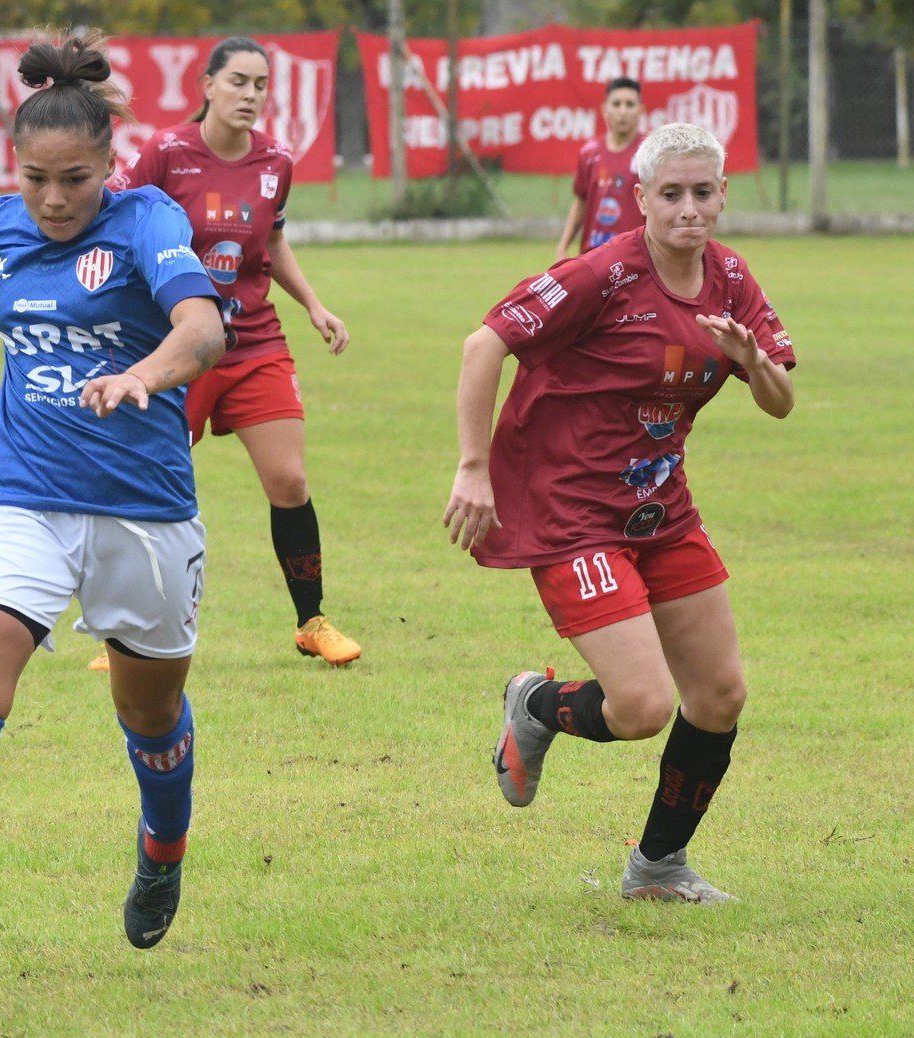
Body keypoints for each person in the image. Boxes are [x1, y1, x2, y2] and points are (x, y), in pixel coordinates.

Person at [0, 31, 226, 974]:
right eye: (36, 178)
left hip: (143, 511)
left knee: (151, 713)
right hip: (21, 493)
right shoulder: (0, 222)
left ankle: (163, 845)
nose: (52, 198)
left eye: (73, 178)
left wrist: (144, 374)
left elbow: (201, 329)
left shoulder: (147, 220)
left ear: (108, 165)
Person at [444, 123, 797, 903]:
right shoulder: (601, 274)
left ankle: (656, 869)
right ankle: (533, 703)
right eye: (669, 193)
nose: (687, 209)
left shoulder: (732, 280)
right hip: (571, 514)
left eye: (702, 192)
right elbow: (482, 346)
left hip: (661, 511)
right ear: (638, 198)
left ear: (721, 196)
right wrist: (473, 468)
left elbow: (779, 402)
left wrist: (753, 362)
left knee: (718, 696)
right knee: (640, 706)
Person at [94, 35, 361, 669]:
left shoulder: (276, 162)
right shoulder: (166, 151)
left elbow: (270, 242)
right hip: (177, 346)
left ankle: (312, 621)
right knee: (146, 481)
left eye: (261, 84)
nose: (250, 94)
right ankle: (124, 631)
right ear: (207, 86)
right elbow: (118, 220)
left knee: (289, 480)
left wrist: (314, 305)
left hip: (253, 341)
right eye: (238, 80)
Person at [556, 77, 646, 261]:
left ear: (640, 110)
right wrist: (563, 247)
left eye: (630, 104)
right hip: (594, 256)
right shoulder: (589, 153)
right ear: (605, 110)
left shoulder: (651, 152)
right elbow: (581, 201)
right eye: (616, 104)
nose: (623, 111)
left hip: (637, 256)